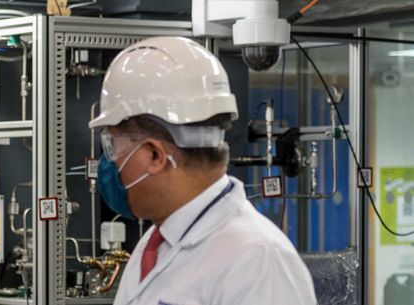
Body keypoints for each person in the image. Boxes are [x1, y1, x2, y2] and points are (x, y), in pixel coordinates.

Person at [88, 36, 317, 304]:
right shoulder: (153, 244)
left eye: (113, 145)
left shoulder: (259, 262)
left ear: (155, 155)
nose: (110, 161)